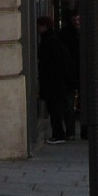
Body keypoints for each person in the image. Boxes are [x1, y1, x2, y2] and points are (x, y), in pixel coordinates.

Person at [38, 16, 71, 144]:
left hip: (53, 82)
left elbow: (52, 64)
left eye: (39, 26)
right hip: (56, 82)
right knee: (55, 109)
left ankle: (58, 134)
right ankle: (58, 133)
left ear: (44, 26)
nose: (38, 29)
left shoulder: (49, 41)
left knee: (55, 109)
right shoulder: (53, 39)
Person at [58, 10, 80, 140]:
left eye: (78, 20)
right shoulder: (67, 34)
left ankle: (73, 131)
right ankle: (71, 131)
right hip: (71, 74)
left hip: (74, 74)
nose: (77, 23)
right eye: (74, 20)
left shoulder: (79, 33)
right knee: (69, 104)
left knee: (70, 104)